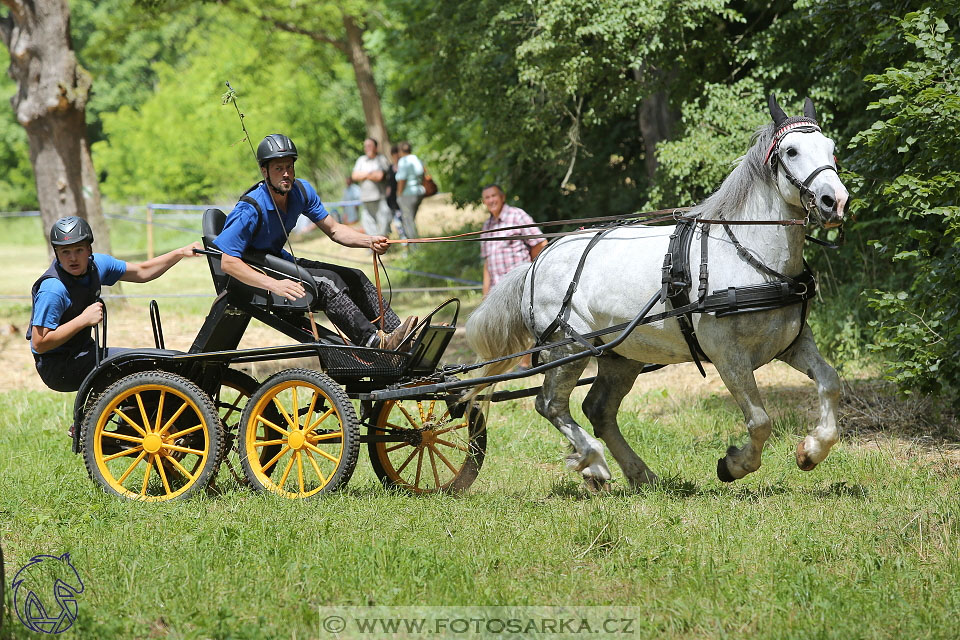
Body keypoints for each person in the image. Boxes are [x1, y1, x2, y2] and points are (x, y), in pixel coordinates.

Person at [215, 134, 417, 351]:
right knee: (328, 283)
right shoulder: (249, 209)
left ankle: (404, 338)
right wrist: (275, 285)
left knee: (354, 276)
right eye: (278, 168)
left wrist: (369, 240)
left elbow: (335, 229)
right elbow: (228, 263)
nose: (286, 173)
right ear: (264, 171)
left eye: (289, 167)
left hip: (278, 262)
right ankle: (376, 343)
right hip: (254, 276)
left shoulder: (301, 191)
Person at [28, 216, 203, 392]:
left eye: (79, 250)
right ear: (56, 253)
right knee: (136, 364)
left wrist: (180, 252)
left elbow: (143, 272)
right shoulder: (53, 289)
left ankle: (127, 414)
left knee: (145, 362)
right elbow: (39, 343)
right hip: (59, 367)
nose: (73, 258)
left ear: (89, 250)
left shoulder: (97, 266)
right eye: (65, 252)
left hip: (85, 351)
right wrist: (83, 319)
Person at [479, 184, 547, 369]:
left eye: (494, 196)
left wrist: (532, 273)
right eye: (487, 197)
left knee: (525, 325)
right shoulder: (487, 226)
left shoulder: (517, 216)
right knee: (503, 329)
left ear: (502, 196)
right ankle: (507, 365)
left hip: (519, 283)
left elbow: (540, 243)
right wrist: (486, 294)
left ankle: (524, 366)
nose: (491, 200)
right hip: (498, 289)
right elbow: (487, 263)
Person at [350, 137, 392, 237]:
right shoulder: (361, 160)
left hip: (379, 197)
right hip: (365, 198)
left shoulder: (381, 159)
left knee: (383, 222)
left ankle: (384, 244)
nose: (367, 148)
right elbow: (354, 176)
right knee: (368, 224)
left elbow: (380, 176)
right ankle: (373, 245)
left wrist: (363, 175)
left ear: (376, 147)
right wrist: (371, 174)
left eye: (369, 146)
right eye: (365, 146)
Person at [395, 141, 425, 244]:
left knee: (408, 221)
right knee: (412, 219)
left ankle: (414, 246)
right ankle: (416, 243)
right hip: (419, 192)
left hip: (407, 195)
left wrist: (399, 194)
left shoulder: (403, 161)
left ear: (400, 151)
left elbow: (402, 179)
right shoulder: (416, 159)